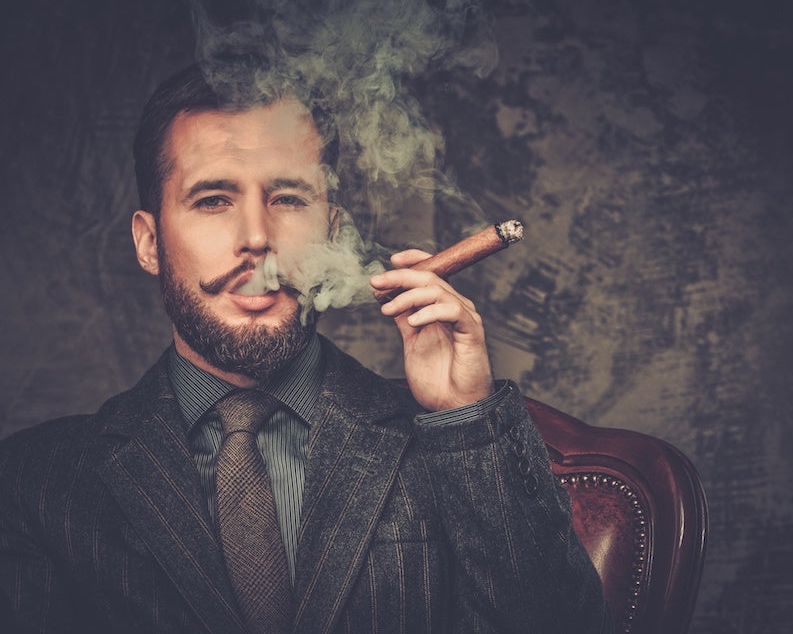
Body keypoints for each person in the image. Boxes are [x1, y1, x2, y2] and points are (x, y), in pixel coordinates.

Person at [0, 64, 612, 633]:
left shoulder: (439, 441)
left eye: (289, 198)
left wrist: (465, 419)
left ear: (333, 230)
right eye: (213, 200)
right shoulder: (34, 482)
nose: (257, 238)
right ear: (150, 242)